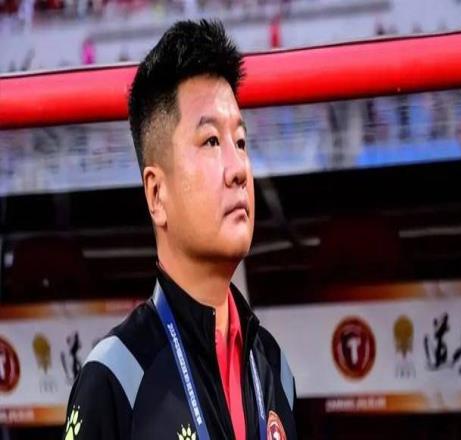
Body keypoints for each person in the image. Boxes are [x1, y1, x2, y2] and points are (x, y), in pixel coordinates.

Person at [63, 19, 297, 440]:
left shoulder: (273, 366)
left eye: (240, 142)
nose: (238, 170)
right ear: (157, 193)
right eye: (211, 142)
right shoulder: (115, 378)